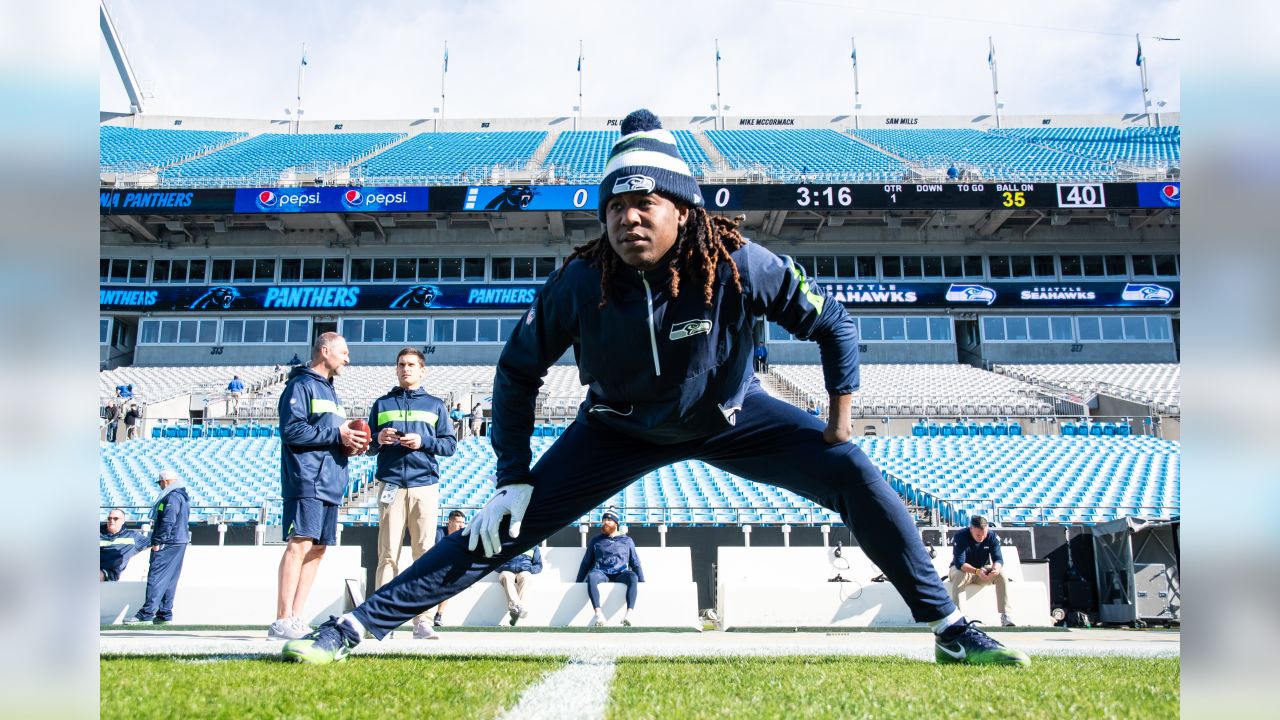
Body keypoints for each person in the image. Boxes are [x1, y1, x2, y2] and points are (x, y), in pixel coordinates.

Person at [282, 109, 1029, 667]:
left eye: (645, 205)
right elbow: (516, 374)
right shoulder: (579, 281)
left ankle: (949, 629)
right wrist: (512, 476)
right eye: (614, 207)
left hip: (732, 417)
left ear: (684, 211)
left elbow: (832, 321)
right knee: (497, 527)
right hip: (617, 429)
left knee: (858, 475)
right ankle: (355, 626)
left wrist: (839, 421)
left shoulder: (742, 264)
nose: (628, 218)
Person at [268, 332, 370, 641]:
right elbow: (293, 430)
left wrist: (351, 442)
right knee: (299, 544)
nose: (347, 358)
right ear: (324, 351)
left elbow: (330, 434)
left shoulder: (332, 392)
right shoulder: (300, 385)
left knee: (318, 549)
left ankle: (296, 618)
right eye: (343, 352)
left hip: (331, 480)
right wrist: (337, 435)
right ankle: (281, 619)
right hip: (307, 477)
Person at [367, 347, 457, 640]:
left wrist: (424, 441)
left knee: (424, 555)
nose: (406, 369)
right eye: (401, 364)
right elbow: (368, 444)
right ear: (396, 369)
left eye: (411, 365)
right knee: (387, 555)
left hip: (424, 485)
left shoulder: (435, 405)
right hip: (391, 483)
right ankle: (381, 619)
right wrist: (378, 439)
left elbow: (449, 445)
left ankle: (423, 621)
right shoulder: (381, 404)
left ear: (422, 370)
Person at [123, 469, 190, 624]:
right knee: (170, 578)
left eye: (160, 483)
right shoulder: (182, 496)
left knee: (156, 576)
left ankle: (146, 614)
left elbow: (168, 520)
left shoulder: (172, 497)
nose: (160, 486)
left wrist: (158, 541)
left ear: (165, 481)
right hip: (178, 541)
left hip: (168, 541)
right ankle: (164, 613)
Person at [577, 511, 642, 627]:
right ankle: (599, 614)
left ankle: (629, 615)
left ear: (616, 523)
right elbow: (586, 562)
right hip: (602, 572)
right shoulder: (595, 540)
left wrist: (642, 581)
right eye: (604, 520)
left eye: (609, 520)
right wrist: (577, 582)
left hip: (621, 572)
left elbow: (635, 562)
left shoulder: (627, 540)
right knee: (592, 576)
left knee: (633, 576)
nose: (605, 522)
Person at [948, 515, 1015, 627]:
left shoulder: (992, 536)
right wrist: (976, 571)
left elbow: (998, 559)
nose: (981, 538)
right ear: (971, 529)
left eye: (984, 534)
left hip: (982, 571)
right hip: (963, 570)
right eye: (978, 535)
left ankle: (1006, 615)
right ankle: (960, 616)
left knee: (1002, 574)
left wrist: (996, 568)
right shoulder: (960, 536)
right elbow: (959, 563)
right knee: (959, 574)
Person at [428, 510, 467, 628]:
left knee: (449, 583)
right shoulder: (438, 533)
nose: (461, 525)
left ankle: (439, 615)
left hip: (447, 570)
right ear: (450, 522)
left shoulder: (463, 536)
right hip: (432, 568)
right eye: (458, 522)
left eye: (463, 523)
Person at [496, 543, 543, 626]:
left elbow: (538, 565)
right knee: (505, 575)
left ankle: (516, 609)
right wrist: (505, 567)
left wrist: (529, 569)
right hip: (507, 571)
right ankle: (519, 608)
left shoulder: (533, 544)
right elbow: (495, 562)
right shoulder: (505, 541)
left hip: (524, 571)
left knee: (527, 576)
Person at [100, 508, 147, 582]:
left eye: (115, 518)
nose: (111, 521)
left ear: (122, 521)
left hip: (112, 573)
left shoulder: (132, 536)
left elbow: (155, 543)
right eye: (109, 518)